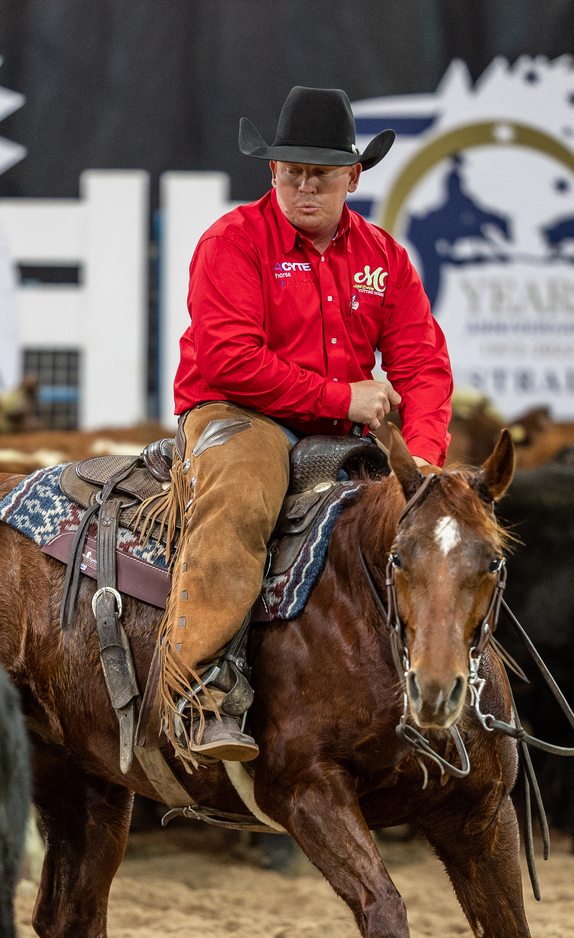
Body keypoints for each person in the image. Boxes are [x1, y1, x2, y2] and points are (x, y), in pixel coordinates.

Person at [159, 85, 455, 763]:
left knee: (435, 527)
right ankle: (201, 688)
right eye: (292, 172)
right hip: (240, 413)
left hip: (339, 428)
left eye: (320, 174)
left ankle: (431, 681)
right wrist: (341, 399)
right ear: (272, 172)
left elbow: (422, 365)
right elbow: (230, 360)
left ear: (353, 178)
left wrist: (423, 462)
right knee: (241, 496)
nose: (305, 186)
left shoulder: (384, 258)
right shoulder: (234, 241)